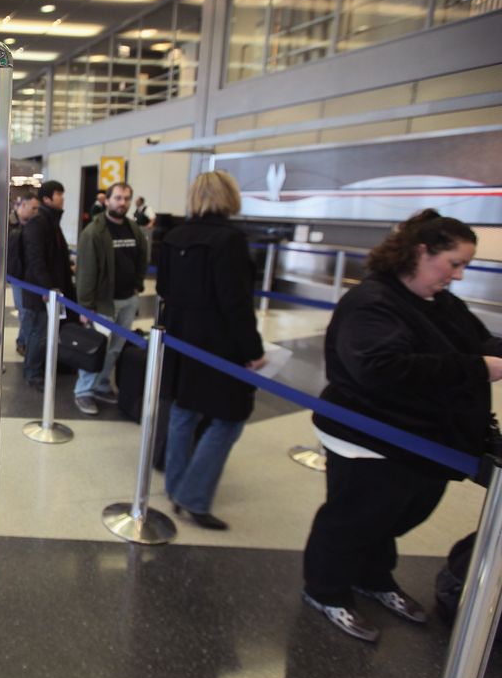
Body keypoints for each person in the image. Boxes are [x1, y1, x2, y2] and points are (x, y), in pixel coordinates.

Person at [301, 210, 502, 643]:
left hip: (423, 439)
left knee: (399, 513)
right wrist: (476, 368)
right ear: (422, 251)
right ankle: (325, 588)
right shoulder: (372, 301)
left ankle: (372, 576)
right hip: (368, 435)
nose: (460, 275)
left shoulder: (440, 302)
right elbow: (380, 369)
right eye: (455, 263)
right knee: (353, 518)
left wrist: (487, 355)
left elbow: (476, 340)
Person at [156, 171, 265, 531]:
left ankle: (176, 488)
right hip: (219, 346)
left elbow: (164, 290)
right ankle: (194, 495)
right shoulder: (231, 241)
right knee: (229, 419)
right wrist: (253, 349)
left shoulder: (174, 237)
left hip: (181, 340)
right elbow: (235, 303)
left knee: (184, 413)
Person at [73, 182, 148, 415]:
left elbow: (141, 260)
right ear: (107, 200)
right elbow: (85, 273)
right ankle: (83, 391)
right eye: (118, 198)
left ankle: (102, 385)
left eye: (126, 198)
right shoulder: (94, 232)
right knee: (96, 348)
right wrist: (86, 308)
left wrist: (137, 286)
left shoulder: (134, 229)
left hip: (127, 300)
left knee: (115, 349)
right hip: (103, 303)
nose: (122, 202)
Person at [21, 180, 75, 388]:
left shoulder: (51, 222)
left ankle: (41, 367)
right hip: (40, 292)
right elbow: (36, 261)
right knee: (39, 332)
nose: (62, 198)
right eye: (58, 194)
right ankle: (32, 372)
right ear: (47, 198)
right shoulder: (39, 224)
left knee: (46, 332)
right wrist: (47, 288)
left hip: (52, 290)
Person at [7, 190, 39, 356]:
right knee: (24, 311)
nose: (36, 212)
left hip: (32, 275)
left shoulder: (35, 225)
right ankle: (23, 342)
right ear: (23, 205)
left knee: (30, 311)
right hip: (17, 276)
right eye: (33, 208)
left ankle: (25, 341)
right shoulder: (9, 224)